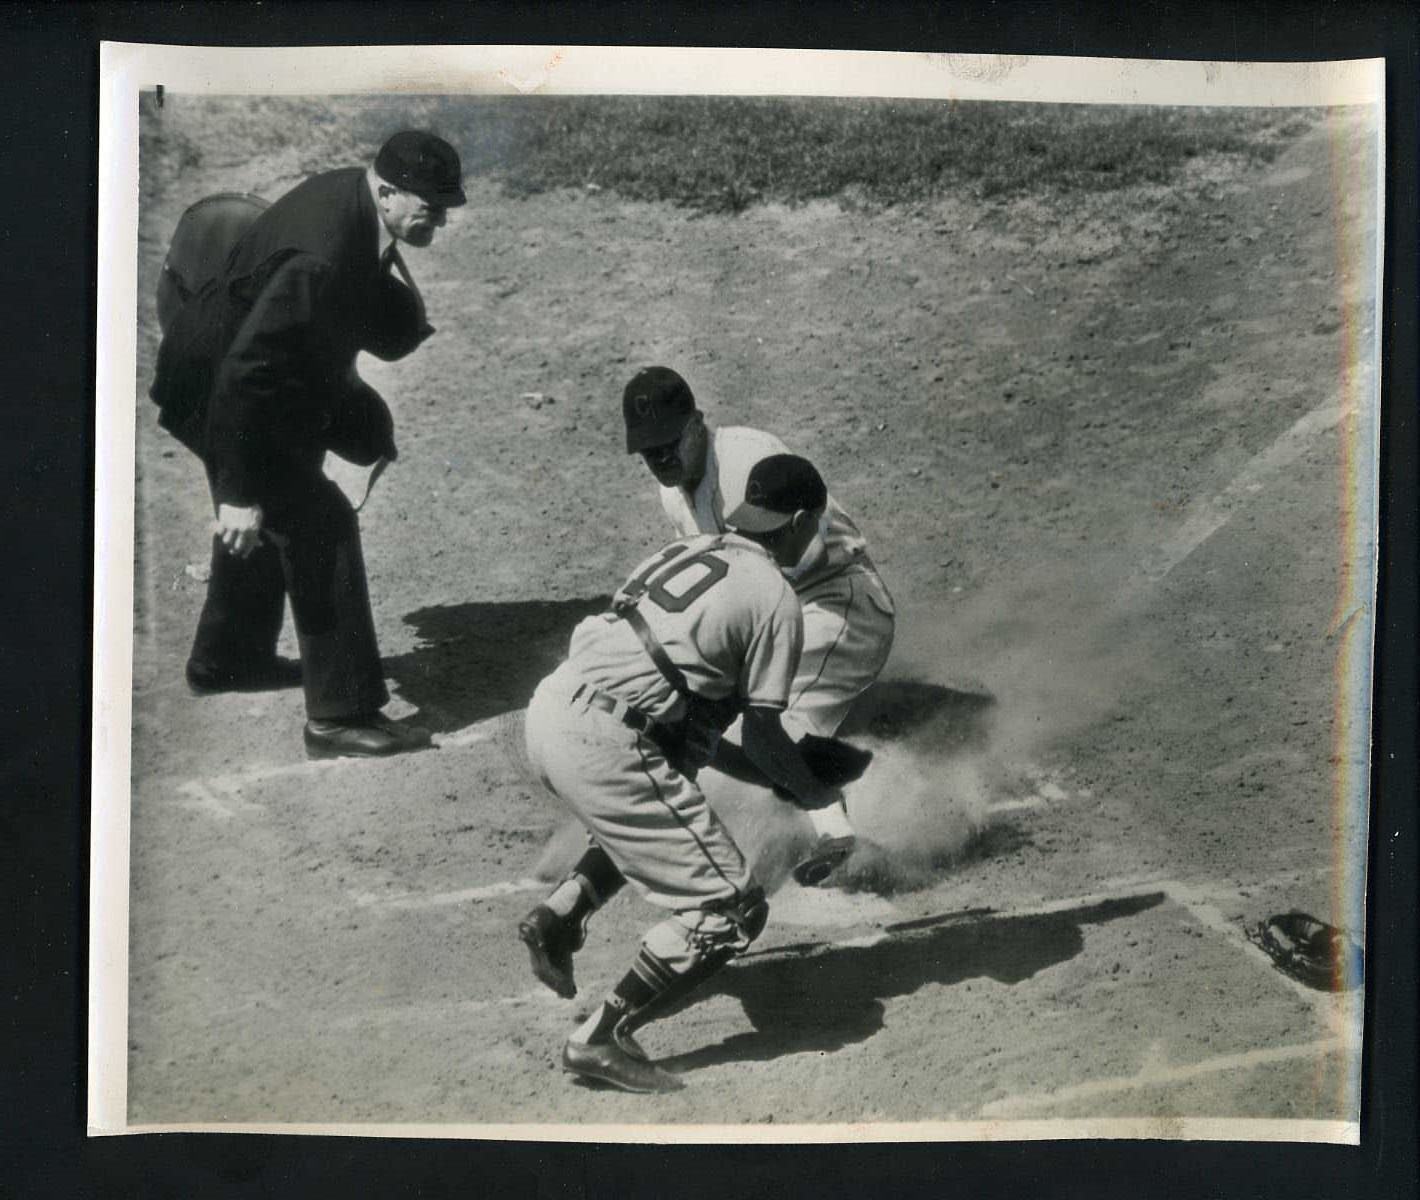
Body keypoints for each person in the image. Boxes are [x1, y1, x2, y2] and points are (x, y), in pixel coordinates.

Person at [518, 455, 852, 1093]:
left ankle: (559, 917)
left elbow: (713, 731)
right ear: (804, 521)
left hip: (550, 711)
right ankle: (601, 1037)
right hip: (603, 744)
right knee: (732, 911)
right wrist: (821, 802)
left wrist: (784, 784)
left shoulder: (694, 549)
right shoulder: (776, 597)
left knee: (671, 780)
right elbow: (761, 733)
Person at [149, 130, 466, 758]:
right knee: (318, 520)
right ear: (387, 191)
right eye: (430, 205)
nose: (442, 216)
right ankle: (340, 714)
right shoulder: (321, 257)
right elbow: (247, 374)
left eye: (447, 204)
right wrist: (235, 495)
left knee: (289, 501)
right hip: (219, 387)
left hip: (249, 374)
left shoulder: (355, 198)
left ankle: (229, 659)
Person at [620, 365, 897, 874]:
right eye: (648, 452)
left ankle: (858, 825)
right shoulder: (673, 492)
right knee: (713, 730)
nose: (660, 460)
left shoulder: (750, 460)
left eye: (668, 444)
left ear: (697, 423)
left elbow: (807, 547)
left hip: (835, 606)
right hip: (778, 615)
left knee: (760, 729)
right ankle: (823, 781)